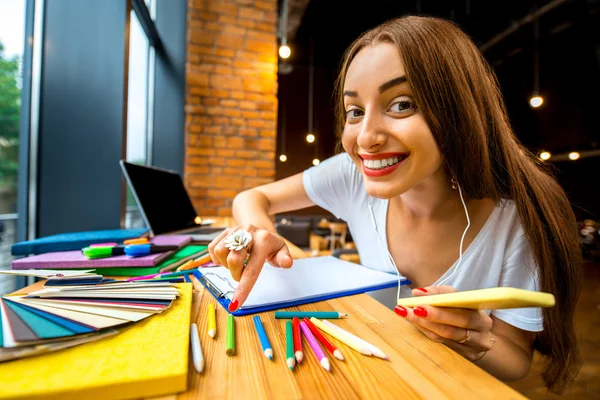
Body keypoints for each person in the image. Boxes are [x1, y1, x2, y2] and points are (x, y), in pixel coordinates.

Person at [208, 16, 581, 393]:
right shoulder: (352, 176)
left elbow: (517, 360)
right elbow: (251, 198)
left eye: (401, 105)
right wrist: (258, 234)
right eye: (354, 111)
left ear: (458, 110)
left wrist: (472, 339)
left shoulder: (514, 220)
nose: (365, 138)